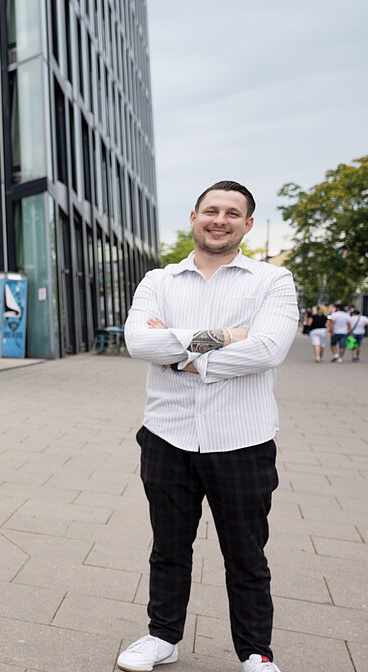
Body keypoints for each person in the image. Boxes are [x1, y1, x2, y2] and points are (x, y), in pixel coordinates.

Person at [120, 180, 295, 672]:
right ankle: (163, 637)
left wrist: (179, 356)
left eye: (232, 213)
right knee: (168, 547)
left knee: (246, 554)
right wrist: (227, 338)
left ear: (248, 224)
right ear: (194, 217)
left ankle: (256, 651)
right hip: (166, 436)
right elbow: (138, 343)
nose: (220, 219)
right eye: (211, 210)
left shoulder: (272, 282)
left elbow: (267, 350)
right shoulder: (159, 281)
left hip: (242, 440)